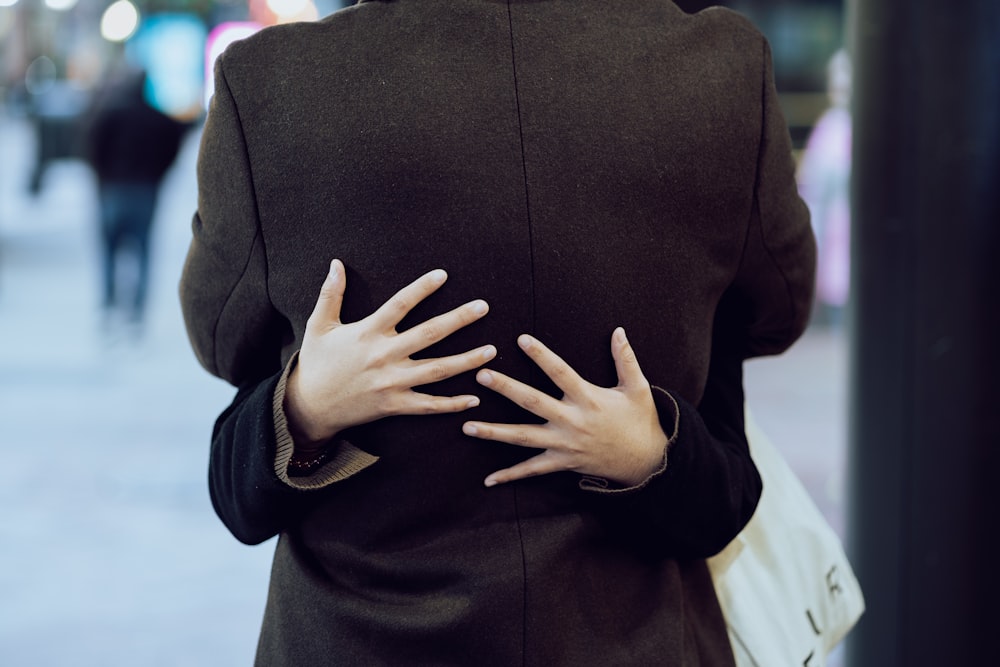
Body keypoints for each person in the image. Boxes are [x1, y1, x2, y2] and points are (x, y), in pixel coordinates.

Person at [179, 0, 815, 664]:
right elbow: (777, 310)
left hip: (359, 636)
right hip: (636, 633)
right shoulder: (720, 66)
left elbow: (222, 338)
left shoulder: (269, 82)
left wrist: (307, 402)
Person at [84, 68, 188, 337]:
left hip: (113, 189)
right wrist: (157, 174)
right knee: (142, 250)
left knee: (109, 249)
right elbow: (174, 147)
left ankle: (109, 305)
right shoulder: (158, 118)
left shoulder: (110, 114)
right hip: (145, 190)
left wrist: (103, 176)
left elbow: (92, 148)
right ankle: (136, 313)